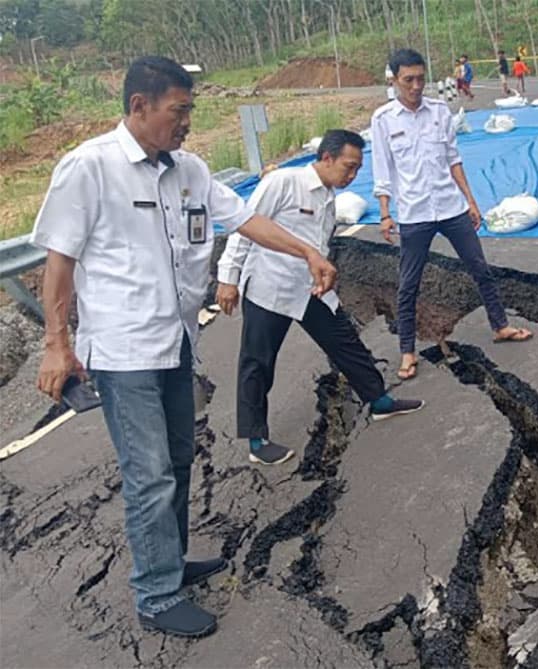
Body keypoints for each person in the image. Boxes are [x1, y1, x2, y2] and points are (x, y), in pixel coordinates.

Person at [32, 56, 337, 638]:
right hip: (122, 356)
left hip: (177, 343)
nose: (188, 122)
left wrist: (308, 252)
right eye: (180, 110)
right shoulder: (89, 167)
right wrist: (56, 343)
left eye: (191, 110)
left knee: (175, 464)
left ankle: (166, 562)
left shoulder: (191, 171)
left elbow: (246, 219)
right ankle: (155, 595)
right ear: (139, 107)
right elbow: (60, 262)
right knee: (149, 474)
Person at [215, 130, 424, 467]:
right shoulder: (283, 182)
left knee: (345, 342)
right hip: (270, 286)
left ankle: (379, 400)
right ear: (327, 158)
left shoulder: (328, 195)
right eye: (349, 166)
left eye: (357, 169)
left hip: (309, 288)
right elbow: (245, 226)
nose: (353, 175)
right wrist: (228, 278)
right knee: (257, 362)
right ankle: (256, 439)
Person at [373, 48, 532, 380]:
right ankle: (407, 351)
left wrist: (471, 202)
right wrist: (386, 214)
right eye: (408, 80)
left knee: (480, 268)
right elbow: (382, 172)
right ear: (394, 80)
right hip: (414, 214)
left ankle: (500, 326)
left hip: (451, 208)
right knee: (408, 284)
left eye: (420, 78)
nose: (416, 86)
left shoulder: (439, 111)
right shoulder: (383, 120)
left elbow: (453, 159)